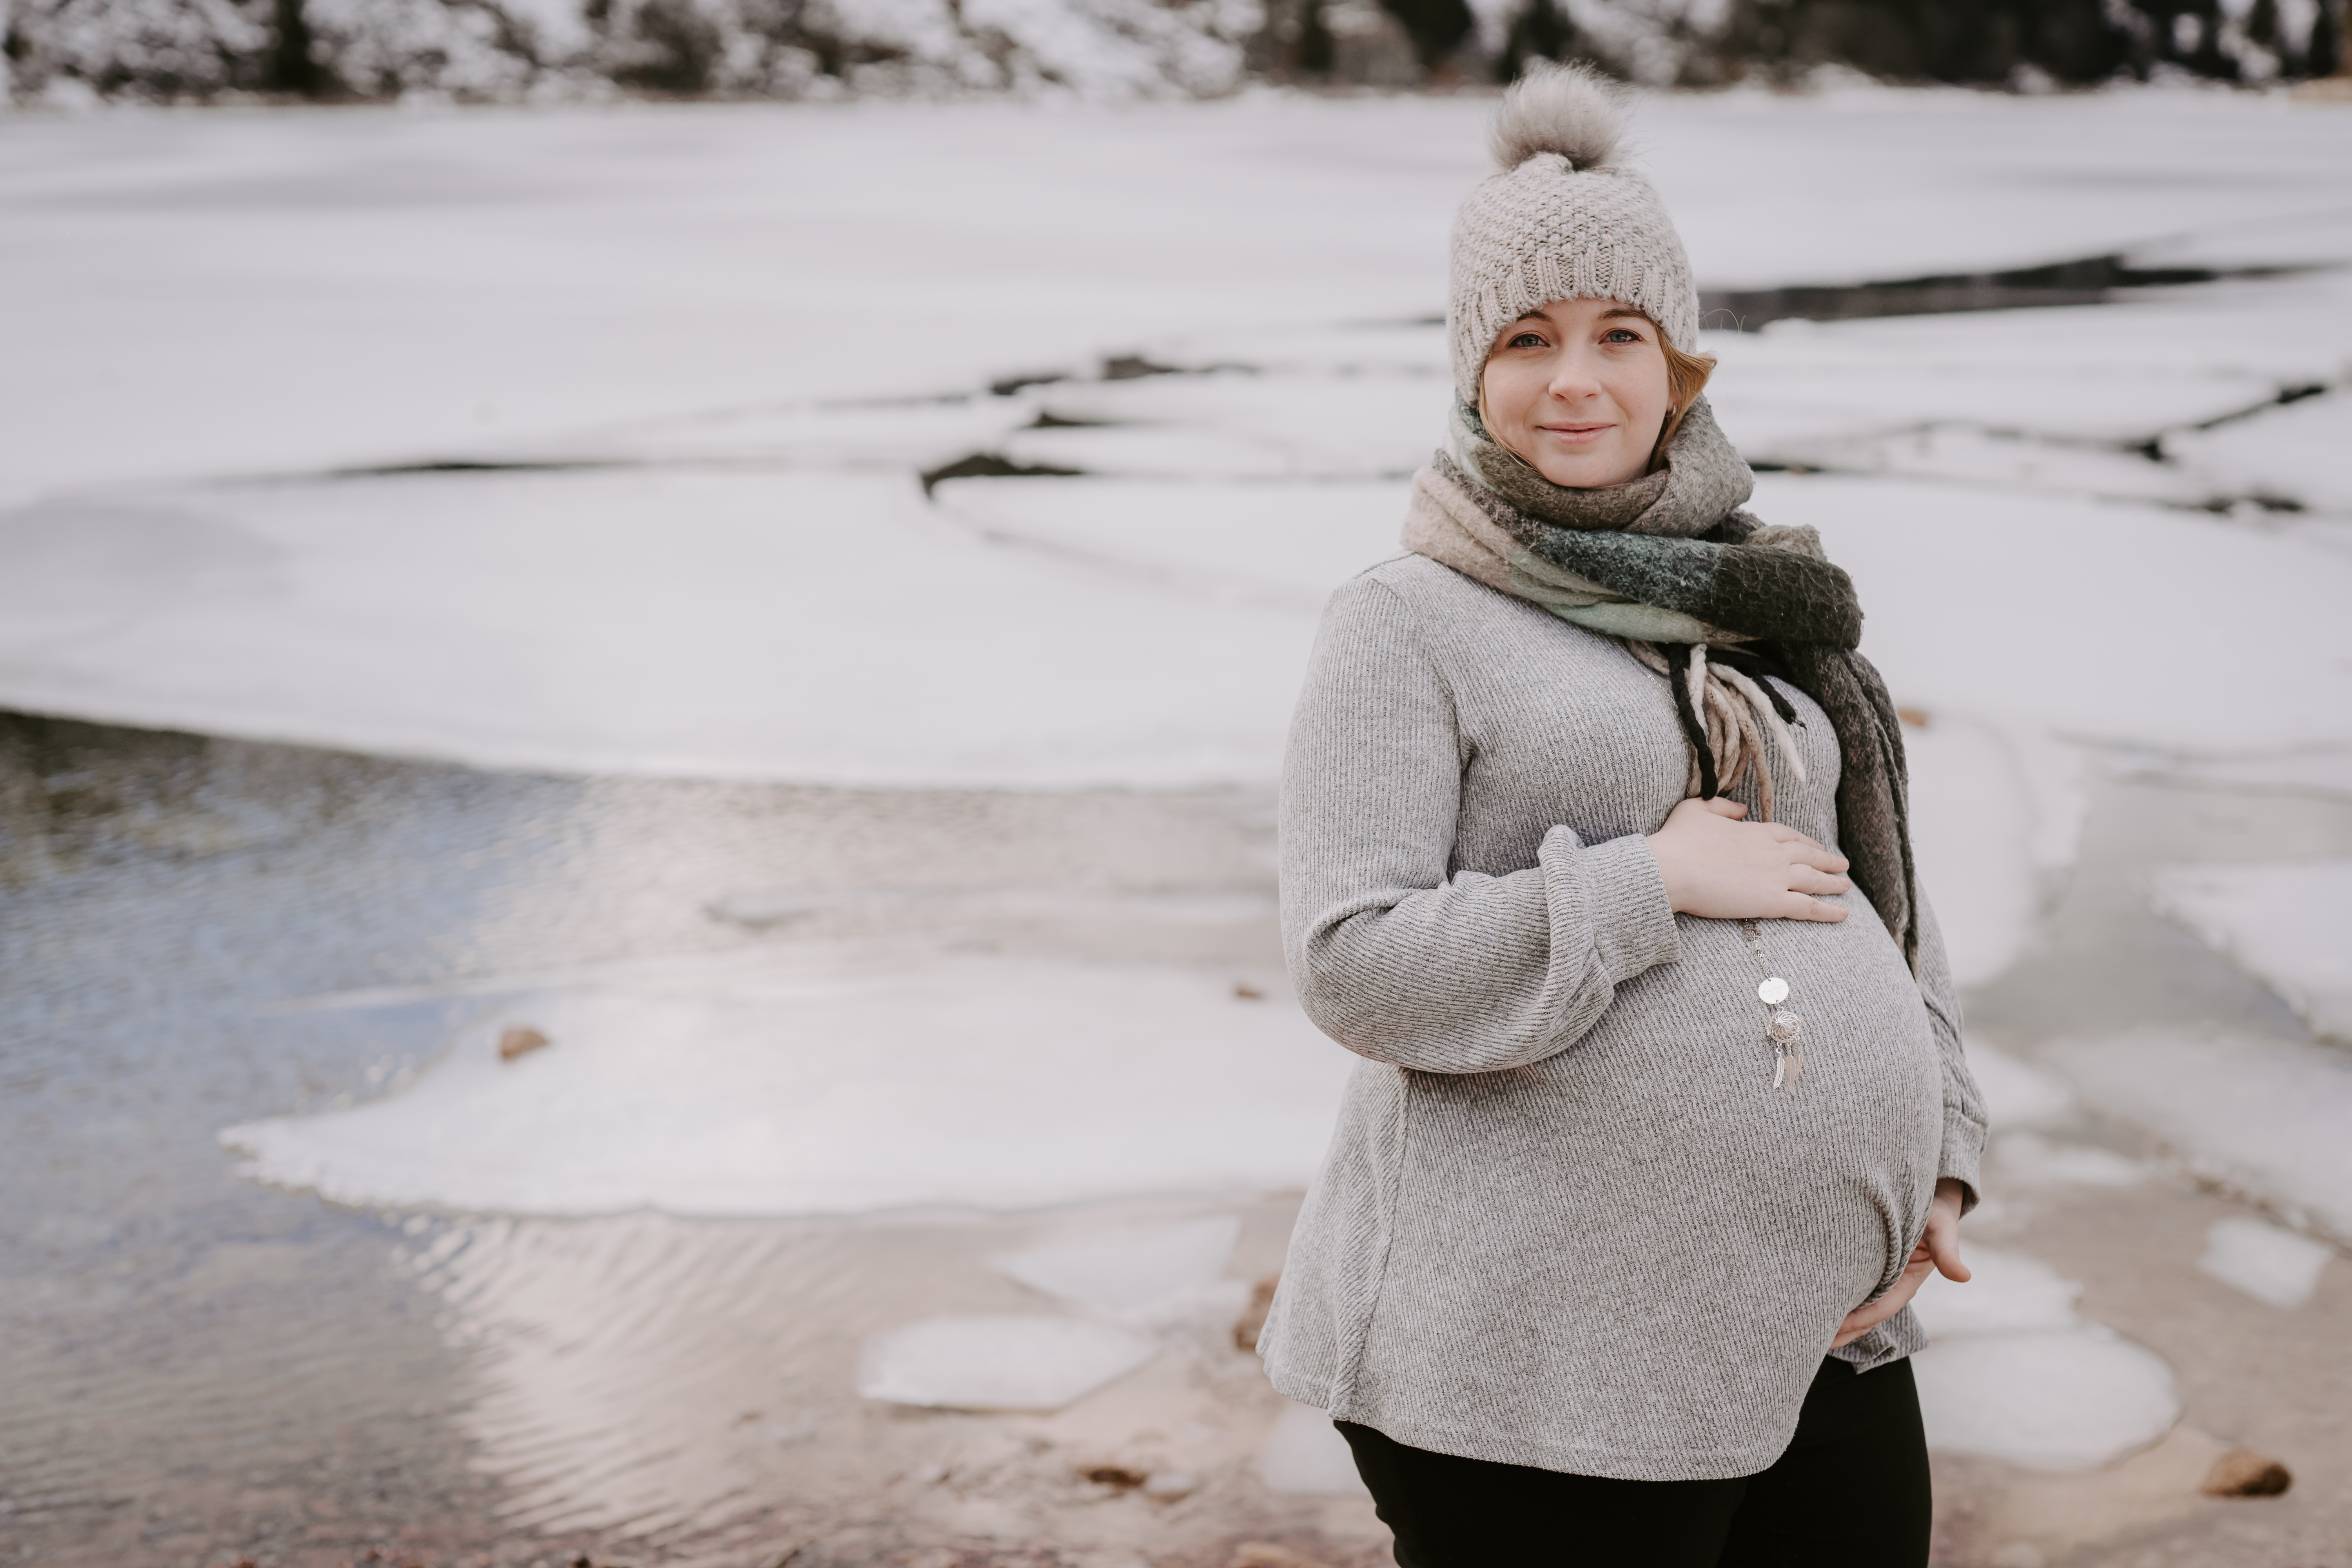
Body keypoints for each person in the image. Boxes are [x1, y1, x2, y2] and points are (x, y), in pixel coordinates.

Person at [1256, 62, 1985, 1567]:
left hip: (1822, 1334)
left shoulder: (1771, 603)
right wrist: (1646, 879)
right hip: (1541, 1368)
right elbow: (1351, 960)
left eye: (1617, 337)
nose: (1572, 379)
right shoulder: (1407, 621)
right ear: (1473, 370)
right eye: (1526, 340)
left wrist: (1944, 1160)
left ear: (1683, 372)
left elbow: (1879, 911)